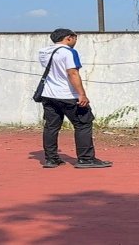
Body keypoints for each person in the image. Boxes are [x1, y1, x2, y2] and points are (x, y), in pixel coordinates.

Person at [37, 28, 111, 169]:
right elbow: (72, 73)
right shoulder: (69, 52)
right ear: (69, 38)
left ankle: (51, 159)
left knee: (51, 127)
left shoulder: (44, 52)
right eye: (75, 38)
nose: (76, 41)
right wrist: (81, 94)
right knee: (83, 124)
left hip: (49, 95)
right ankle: (85, 159)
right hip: (68, 95)